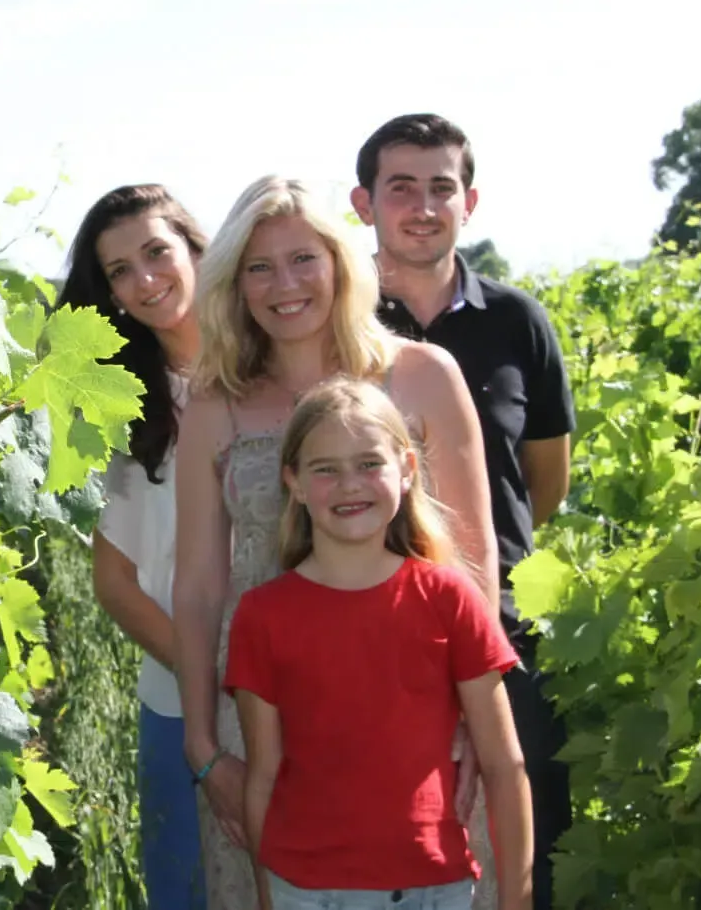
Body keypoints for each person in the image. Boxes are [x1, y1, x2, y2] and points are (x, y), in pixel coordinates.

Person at [172, 175, 498, 908]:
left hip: (415, 720)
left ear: (340, 264)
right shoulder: (215, 405)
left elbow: (474, 563)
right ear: (234, 284)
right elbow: (196, 587)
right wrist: (202, 749)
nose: (283, 285)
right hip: (263, 729)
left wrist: (477, 724)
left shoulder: (422, 376)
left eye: (302, 260)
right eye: (258, 267)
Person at [352, 113, 576, 910]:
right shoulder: (340, 329)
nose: (422, 205)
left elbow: (542, 481)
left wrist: (483, 570)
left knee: (521, 858)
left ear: (469, 202)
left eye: (441, 187)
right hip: (372, 637)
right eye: (401, 187)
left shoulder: (518, 321)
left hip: (502, 633)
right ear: (363, 202)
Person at [224, 377, 533, 910]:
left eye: (369, 463)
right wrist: (265, 893)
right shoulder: (263, 615)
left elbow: (505, 768)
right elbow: (263, 777)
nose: (350, 485)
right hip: (305, 891)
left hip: (432, 888)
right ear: (293, 482)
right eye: (326, 469)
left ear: (407, 470)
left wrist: (518, 900)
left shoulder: (449, 598)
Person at [55, 183, 209, 909]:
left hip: (313, 691)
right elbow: (116, 582)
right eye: (119, 271)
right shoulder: (121, 409)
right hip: (181, 699)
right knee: (187, 888)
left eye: (157, 252)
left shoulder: (284, 377)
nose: (145, 279)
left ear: (196, 250)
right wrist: (211, 677)